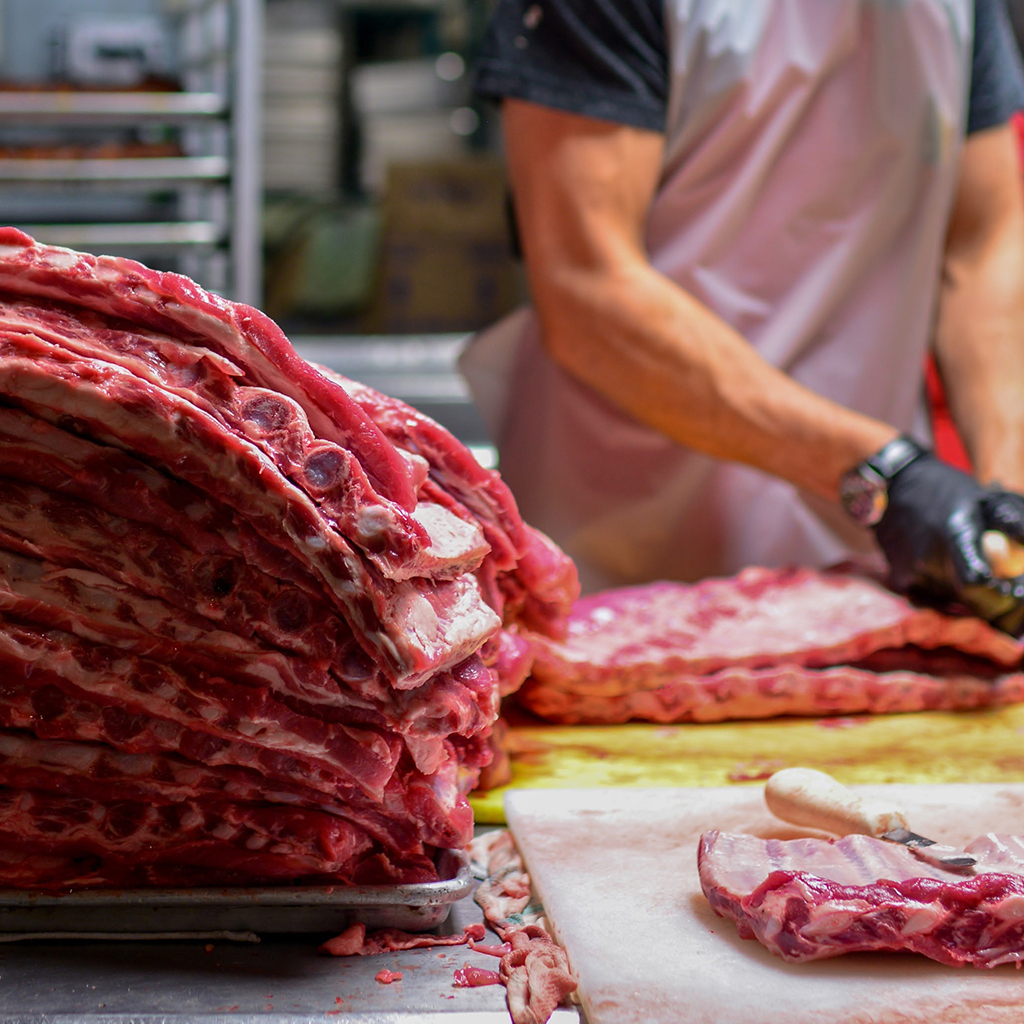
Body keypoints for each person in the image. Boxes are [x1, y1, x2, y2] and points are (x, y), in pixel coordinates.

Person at [461, 0, 1024, 633]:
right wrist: (882, 472)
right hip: (626, 559)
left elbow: (983, 243)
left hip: (878, 559)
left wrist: (1002, 499)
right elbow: (586, 285)